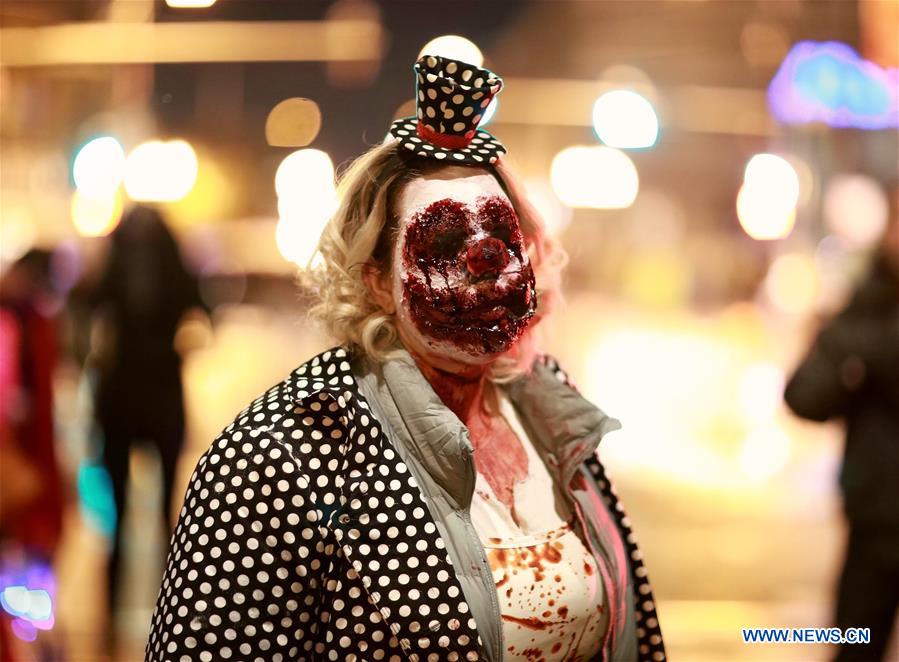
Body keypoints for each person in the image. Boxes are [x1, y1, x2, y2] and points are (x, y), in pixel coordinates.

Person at [146, 55, 665, 661]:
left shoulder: (550, 414)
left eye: (501, 236)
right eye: (442, 241)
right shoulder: (283, 457)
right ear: (377, 281)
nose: (485, 259)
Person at [784, 184, 899, 661]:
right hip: (879, 522)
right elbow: (804, 396)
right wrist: (858, 358)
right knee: (857, 642)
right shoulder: (866, 305)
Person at [86, 205, 203, 648]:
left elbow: (88, 306)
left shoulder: (117, 263)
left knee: (128, 518)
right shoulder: (172, 267)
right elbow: (201, 311)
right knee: (163, 517)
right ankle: (170, 618)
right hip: (154, 396)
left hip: (125, 396)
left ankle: (116, 619)